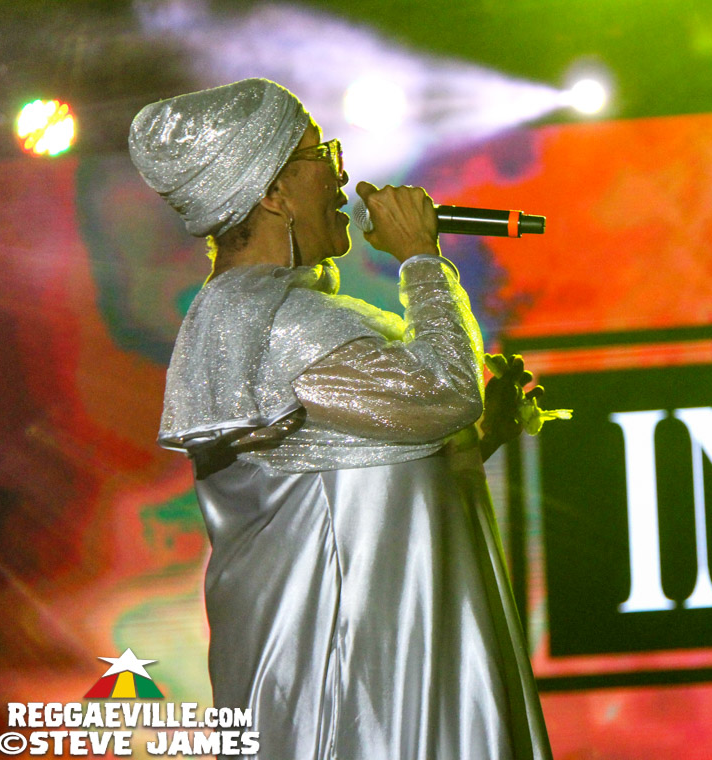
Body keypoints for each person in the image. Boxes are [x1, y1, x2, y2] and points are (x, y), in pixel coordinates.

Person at [129, 78, 552, 759]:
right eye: (317, 152)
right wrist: (421, 258)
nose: (342, 172)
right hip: (350, 692)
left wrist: (480, 438)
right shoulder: (271, 324)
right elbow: (444, 392)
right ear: (270, 191)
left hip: (376, 666)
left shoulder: (275, 313)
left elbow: (365, 470)